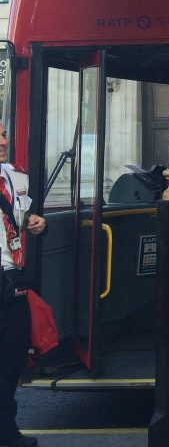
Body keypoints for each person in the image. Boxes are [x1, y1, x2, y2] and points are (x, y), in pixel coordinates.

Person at [0, 121, 45, 447]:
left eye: (3, 134)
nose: (3, 141)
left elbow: (24, 216)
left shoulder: (16, 177)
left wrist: (36, 223)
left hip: (11, 277)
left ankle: (7, 432)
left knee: (11, 359)